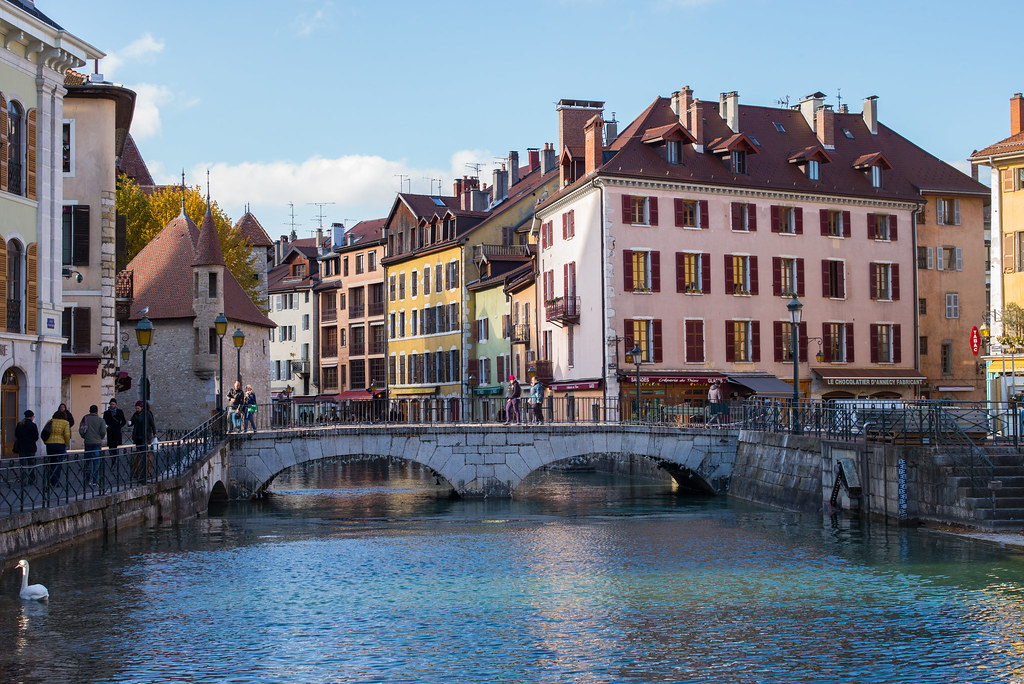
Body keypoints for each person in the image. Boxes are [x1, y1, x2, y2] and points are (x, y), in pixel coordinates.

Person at [129, 400, 156, 484]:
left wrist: (154, 433)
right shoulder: (135, 414)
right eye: (136, 408)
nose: (137, 409)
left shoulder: (147, 414)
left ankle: (146, 473)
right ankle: (139, 473)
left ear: (142, 407)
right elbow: (132, 422)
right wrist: (129, 423)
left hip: (145, 437)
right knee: (138, 454)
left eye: (138, 408)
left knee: (144, 454)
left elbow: (152, 424)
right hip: (137, 437)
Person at [43, 408, 71, 487]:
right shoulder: (65, 423)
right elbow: (67, 435)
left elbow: (44, 432)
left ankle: (50, 480)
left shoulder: (50, 421)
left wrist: (46, 442)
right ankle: (55, 481)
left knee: (51, 462)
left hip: (50, 444)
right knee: (58, 463)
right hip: (60, 444)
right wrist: (66, 443)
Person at [81, 404, 106, 487]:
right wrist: (100, 437)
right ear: (97, 411)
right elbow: (103, 431)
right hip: (97, 443)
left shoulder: (85, 418)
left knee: (87, 462)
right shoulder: (100, 420)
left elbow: (81, 430)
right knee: (96, 463)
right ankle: (95, 481)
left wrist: (85, 436)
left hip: (88, 442)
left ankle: (87, 480)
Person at [14, 410, 39, 486]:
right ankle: (31, 480)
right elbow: (36, 436)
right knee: (31, 464)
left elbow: (16, 435)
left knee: (23, 465)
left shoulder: (20, 424)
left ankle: (23, 480)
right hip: (31, 447)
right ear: (31, 417)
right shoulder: (33, 425)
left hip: (22, 447)